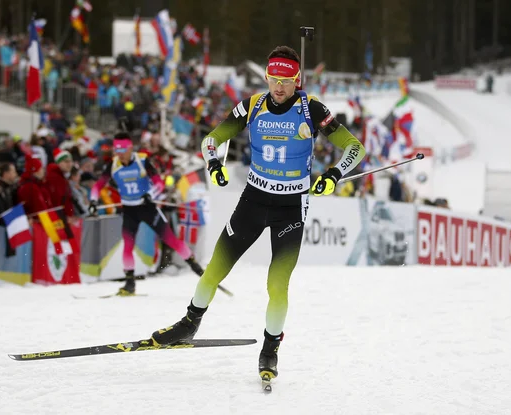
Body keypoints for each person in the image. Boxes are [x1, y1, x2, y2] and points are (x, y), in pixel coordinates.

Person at [149, 46, 366, 382]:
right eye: (273, 79)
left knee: (277, 286)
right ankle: (188, 324)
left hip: (291, 206)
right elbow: (213, 138)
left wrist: (334, 175)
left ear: (297, 79)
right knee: (214, 270)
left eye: (286, 80)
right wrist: (213, 161)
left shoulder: (312, 110)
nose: (278, 87)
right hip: (253, 199)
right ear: (266, 76)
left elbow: (355, 147)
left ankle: (270, 350)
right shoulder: (252, 105)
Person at [98, 132, 205, 295]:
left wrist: (151, 195)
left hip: (147, 208)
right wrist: (93, 201)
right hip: (129, 210)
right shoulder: (113, 165)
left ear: (130, 148)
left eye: (122, 149)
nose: (119, 153)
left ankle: (197, 269)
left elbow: (159, 183)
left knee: (171, 240)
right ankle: (129, 284)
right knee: (127, 246)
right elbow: (97, 186)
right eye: (116, 149)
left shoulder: (142, 161)